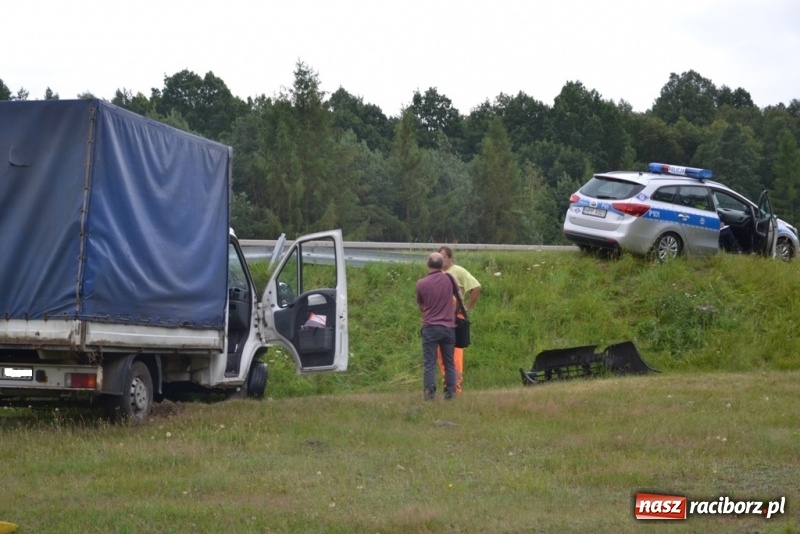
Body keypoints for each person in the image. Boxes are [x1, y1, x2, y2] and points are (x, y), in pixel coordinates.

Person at [436, 246, 481, 394]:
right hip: (440, 318)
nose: (441, 261)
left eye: (443, 258)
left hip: (455, 318)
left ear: (450, 258)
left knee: (454, 354)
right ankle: (447, 383)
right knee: (441, 354)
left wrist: (466, 307)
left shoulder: (458, 271)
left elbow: (476, 287)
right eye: (439, 258)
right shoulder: (438, 274)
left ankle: (455, 386)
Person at [415, 252, 457, 400]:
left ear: (428, 264)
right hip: (449, 327)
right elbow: (457, 297)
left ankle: (430, 393)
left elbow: (421, 305)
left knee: (429, 362)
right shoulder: (450, 279)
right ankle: (451, 392)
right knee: (449, 362)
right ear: (442, 265)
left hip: (431, 326)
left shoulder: (421, 283)